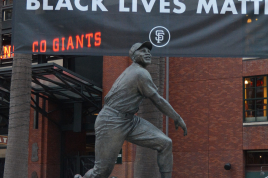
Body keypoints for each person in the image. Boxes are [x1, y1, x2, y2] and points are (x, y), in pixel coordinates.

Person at [75, 42, 188, 178]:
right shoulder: (139, 73)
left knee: (165, 143)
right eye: (142, 51)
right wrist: (177, 117)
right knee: (101, 172)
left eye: (149, 51)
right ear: (133, 57)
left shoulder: (138, 71)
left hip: (130, 120)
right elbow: (157, 100)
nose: (147, 53)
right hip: (111, 120)